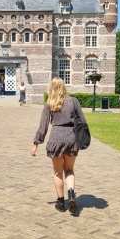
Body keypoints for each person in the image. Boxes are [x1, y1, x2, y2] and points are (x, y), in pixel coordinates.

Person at [31, 78, 86, 215]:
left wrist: (36, 143)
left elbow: (43, 126)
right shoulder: (74, 101)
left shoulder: (49, 103)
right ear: (63, 87)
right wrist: (83, 138)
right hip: (72, 138)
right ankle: (72, 195)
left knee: (57, 172)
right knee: (69, 170)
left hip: (56, 138)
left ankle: (61, 202)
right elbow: (82, 121)